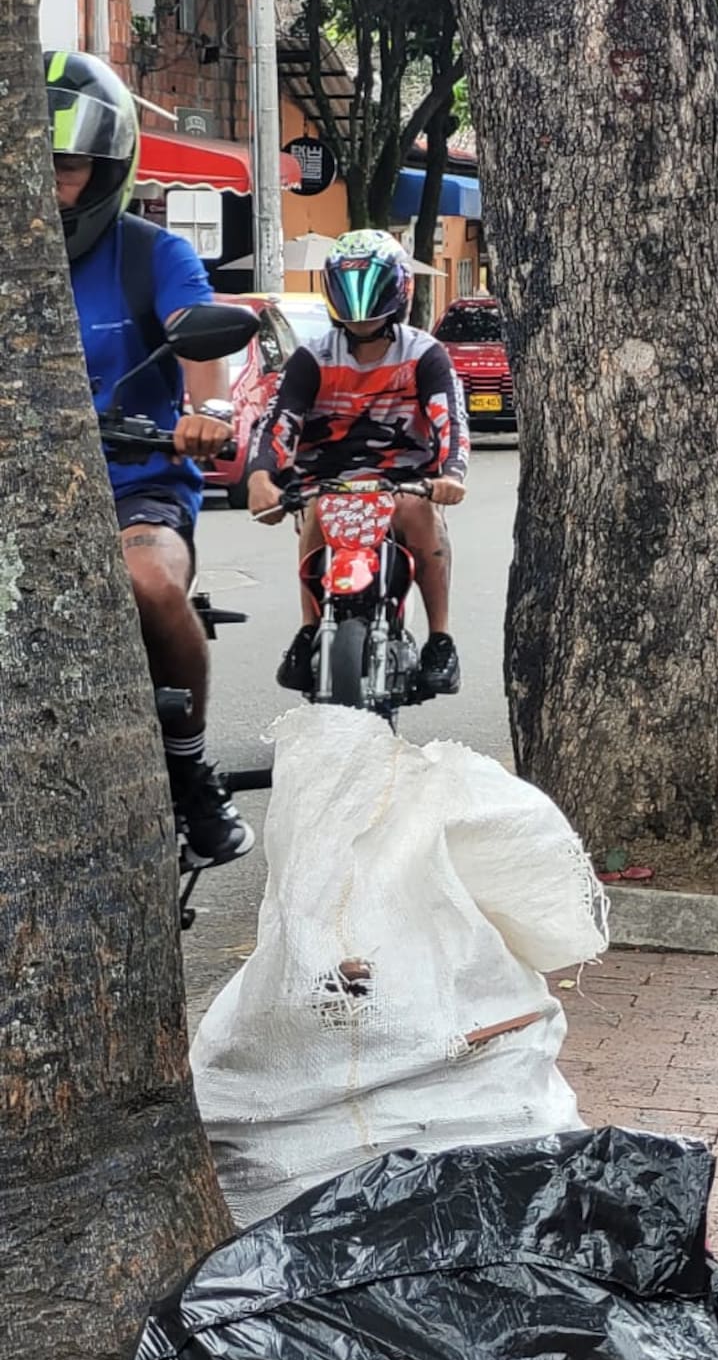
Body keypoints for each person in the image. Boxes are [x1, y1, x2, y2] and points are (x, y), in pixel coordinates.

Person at [47, 49, 252, 865]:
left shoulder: (150, 254)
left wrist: (203, 411)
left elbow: (198, 335)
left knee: (150, 584)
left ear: (107, 168)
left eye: (66, 167)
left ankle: (192, 777)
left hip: (139, 486)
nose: (50, 185)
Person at [246, 229, 467, 696]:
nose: (361, 311)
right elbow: (278, 423)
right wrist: (261, 477)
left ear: (398, 290)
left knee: (421, 515)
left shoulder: (426, 354)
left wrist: (451, 475)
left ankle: (441, 639)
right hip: (328, 482)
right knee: (316, 514)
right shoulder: (312, 358)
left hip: (404, 484)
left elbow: (450, 420)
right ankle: (310, 627)